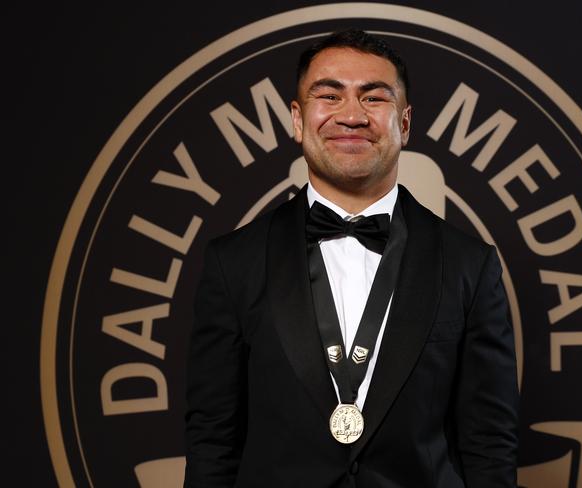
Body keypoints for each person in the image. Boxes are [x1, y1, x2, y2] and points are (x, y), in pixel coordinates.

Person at [184, 29, 519, 488]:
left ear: (404, 123)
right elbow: (212, 442)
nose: (352, 116)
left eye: (374, 98)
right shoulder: (233, 262)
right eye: (330, 95)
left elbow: (490, 447)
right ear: (298, 120)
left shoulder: (470, 266)